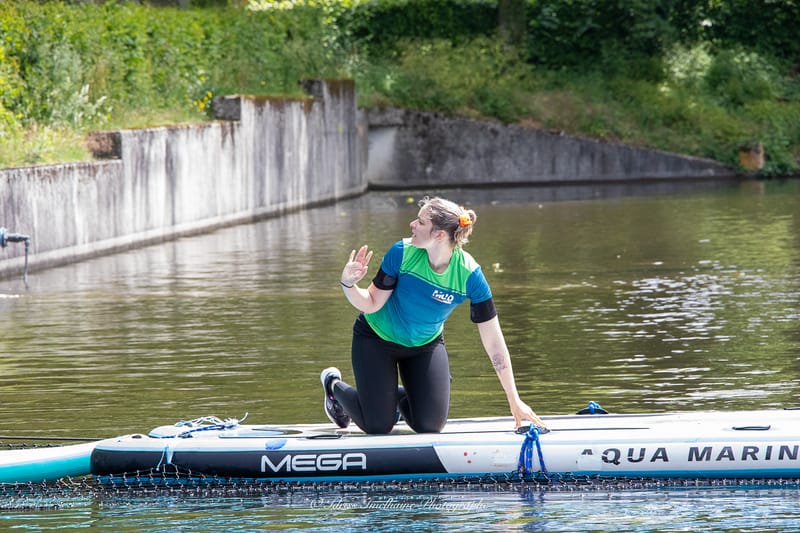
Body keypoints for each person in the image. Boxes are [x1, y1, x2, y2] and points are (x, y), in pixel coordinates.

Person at [320, 196, 545, 434]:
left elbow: (494, 343)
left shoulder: (470, 276)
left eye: (420, 222)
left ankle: (391, 396)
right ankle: (333, 385)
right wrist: (348, 284)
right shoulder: (402, 253)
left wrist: (514, 399)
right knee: (378, 425)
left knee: (430, 426)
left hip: (425, 346)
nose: (412, 225)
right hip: (376, 340)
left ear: (439, 235)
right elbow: (372, 303)